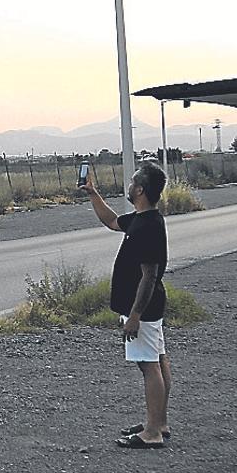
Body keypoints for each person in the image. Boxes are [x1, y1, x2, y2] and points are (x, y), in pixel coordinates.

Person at [85, 161, 171, 449]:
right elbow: (111, 221)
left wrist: (134, 315)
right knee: (157, 359)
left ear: (141, 189)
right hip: (146, 308)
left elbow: (149, 277)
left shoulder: (148, 226)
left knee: (149, 366)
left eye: (133, 182)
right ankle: (158, 421)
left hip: (143, 308)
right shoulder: (139, 219)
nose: (129, 185)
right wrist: (93, 193)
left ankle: (152, 432)